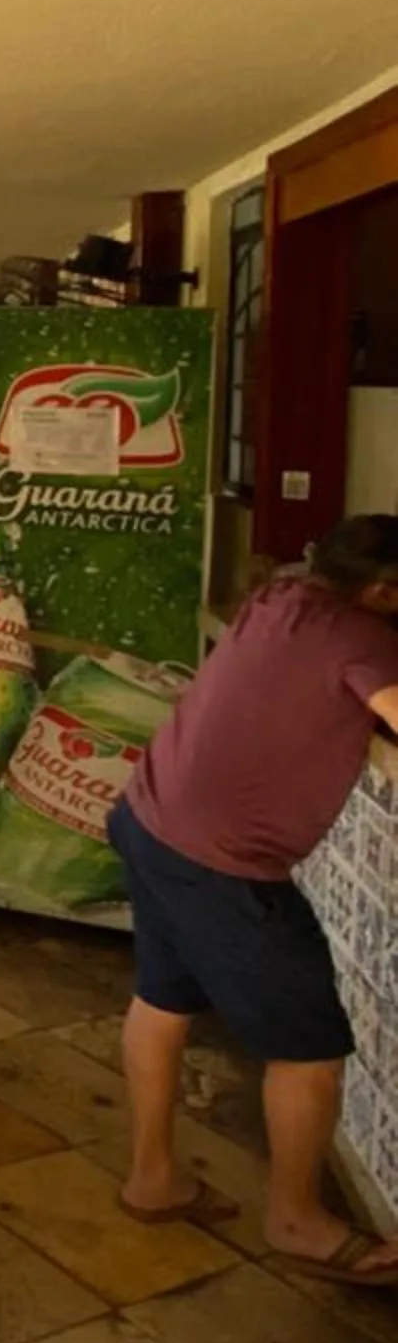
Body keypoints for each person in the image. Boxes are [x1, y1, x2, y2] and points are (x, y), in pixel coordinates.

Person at [108, 514, 398, 1285]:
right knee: (309, 1050)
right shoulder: (366, 638)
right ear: (381, 590)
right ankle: (297, 1219)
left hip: (149, 816)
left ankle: (152, 1178)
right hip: (223, 864)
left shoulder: (281, 595)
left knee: (163, 999)